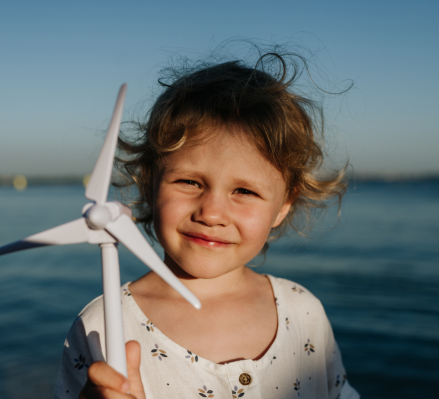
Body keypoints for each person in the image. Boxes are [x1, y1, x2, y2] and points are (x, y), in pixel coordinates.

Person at [54, 51, 360, 399]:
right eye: (190, 182)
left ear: (283, 207)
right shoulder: (102, 326)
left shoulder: (302, 311)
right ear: (149, 185)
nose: (211, 213)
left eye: (244, 191)